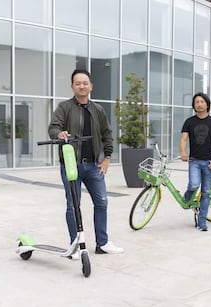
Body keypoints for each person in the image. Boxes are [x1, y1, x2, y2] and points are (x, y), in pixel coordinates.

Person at [48, 68, 124, 254]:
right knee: (73, 205)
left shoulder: (98, 110)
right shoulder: (64, 107)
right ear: (72, 86)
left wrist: (106, 158)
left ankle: (103, 243)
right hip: (71, 164)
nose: (81, 86)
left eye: (85, 83)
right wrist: (60, 133)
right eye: (77, 83)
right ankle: (76, 246)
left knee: (102, 202)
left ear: (91, 86)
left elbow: (107, 134)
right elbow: (53, 127)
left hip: (93, 165)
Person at [179, 92, 211, 231]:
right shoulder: (189, 122)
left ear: (207, 104)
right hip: (194, 161)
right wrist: (183, 153)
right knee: (193, 184)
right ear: (194, 105)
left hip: (209, 162)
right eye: (196, 102)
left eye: (202, 101)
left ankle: (202, 221)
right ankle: (187, 197)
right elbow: (183, 139)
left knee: (205, 193)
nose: (199, 104)